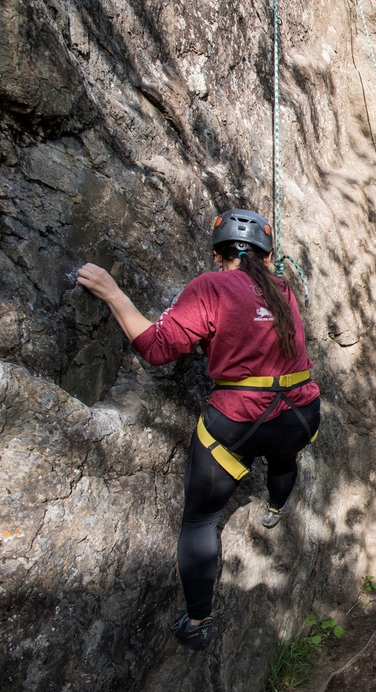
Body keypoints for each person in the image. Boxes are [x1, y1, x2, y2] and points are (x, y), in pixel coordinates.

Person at [76, 209, 321, 651]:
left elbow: (155, 348)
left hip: (240, 422)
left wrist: (113, 293)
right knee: (284, 457)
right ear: (267, 259)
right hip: (301, 413)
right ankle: (278, 507)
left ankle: (198, 620)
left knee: (201, 517)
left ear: (216, 254)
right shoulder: (284, 289)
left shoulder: (210, 286)